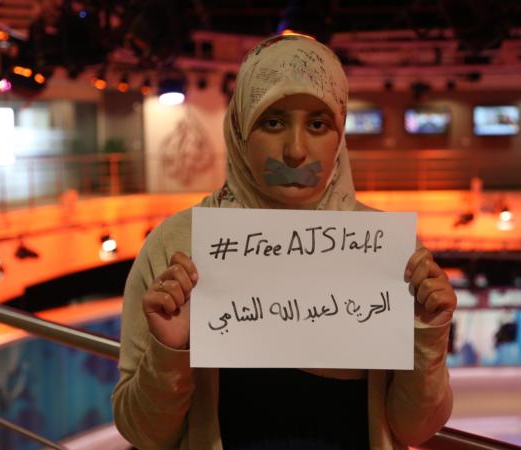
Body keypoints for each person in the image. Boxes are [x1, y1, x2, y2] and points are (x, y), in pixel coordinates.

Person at [113, 33, 456, 450]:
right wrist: (169, 351)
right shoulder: (174, 247)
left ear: (340, 135)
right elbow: (143, 433)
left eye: (318, 124)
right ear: (240, 127)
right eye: (273, 122)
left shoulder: (390, 253)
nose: (295, 150)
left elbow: (415, 429)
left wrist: (428, 334)